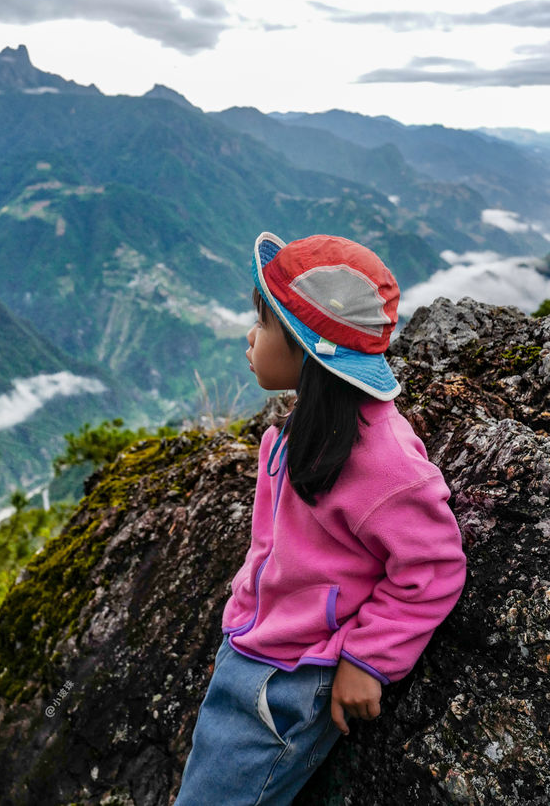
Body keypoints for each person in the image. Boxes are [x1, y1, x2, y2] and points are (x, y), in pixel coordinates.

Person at [174, 232, 467, 806]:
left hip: (291, 678)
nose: (250, 336)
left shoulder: (384, 463)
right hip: (256, 647)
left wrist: (368, 660)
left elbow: (434, 567)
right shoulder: (312, 421)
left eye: (264, 324)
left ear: (308, 352)